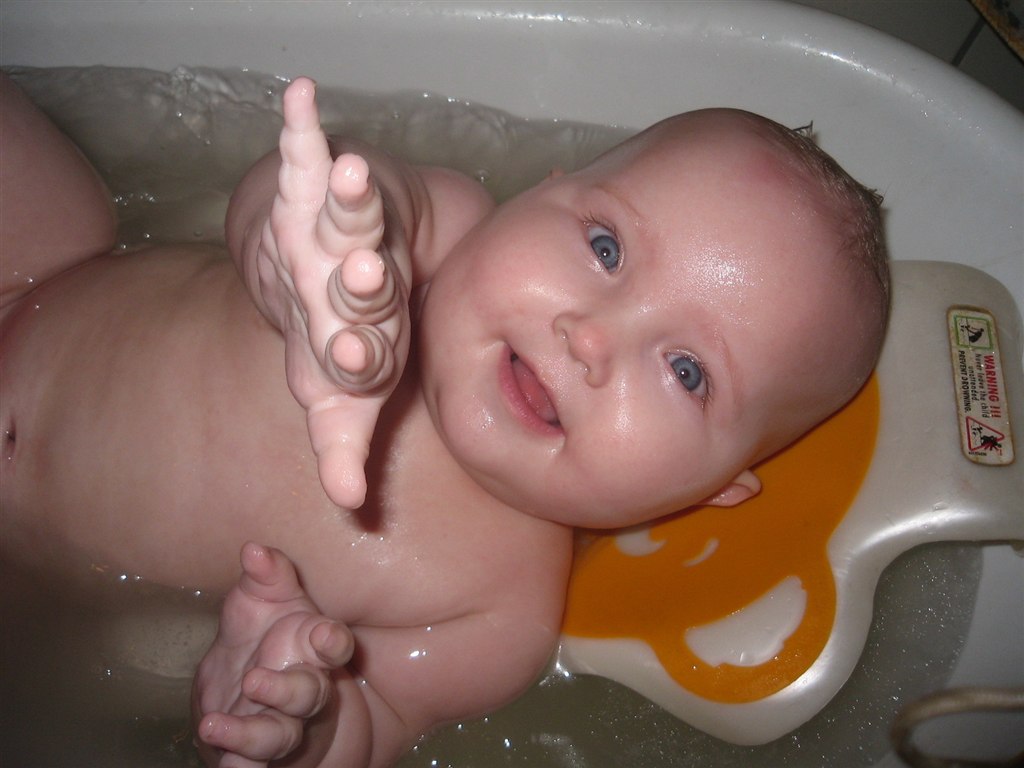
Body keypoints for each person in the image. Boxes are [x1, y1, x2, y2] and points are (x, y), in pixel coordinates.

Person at [0, 73, 889, 767]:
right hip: (35, 273)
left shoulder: (498, 616)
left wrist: (292, 716)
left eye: (686, 371)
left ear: (711, 489)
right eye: (605, 247)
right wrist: (319, 254)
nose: (591, 338)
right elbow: (315, 184)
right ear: (539, 193)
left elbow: (367, 724)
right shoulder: (434, 233)